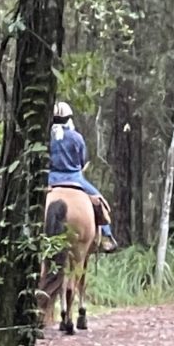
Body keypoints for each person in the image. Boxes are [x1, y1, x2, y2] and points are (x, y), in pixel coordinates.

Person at [48, 101, 118, 253]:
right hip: (74, 178)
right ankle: (107, 236)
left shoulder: (47, 138)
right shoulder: (76, 137)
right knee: (99, 200)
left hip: (50, 178)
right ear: (69, 118)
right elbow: (81, 160)